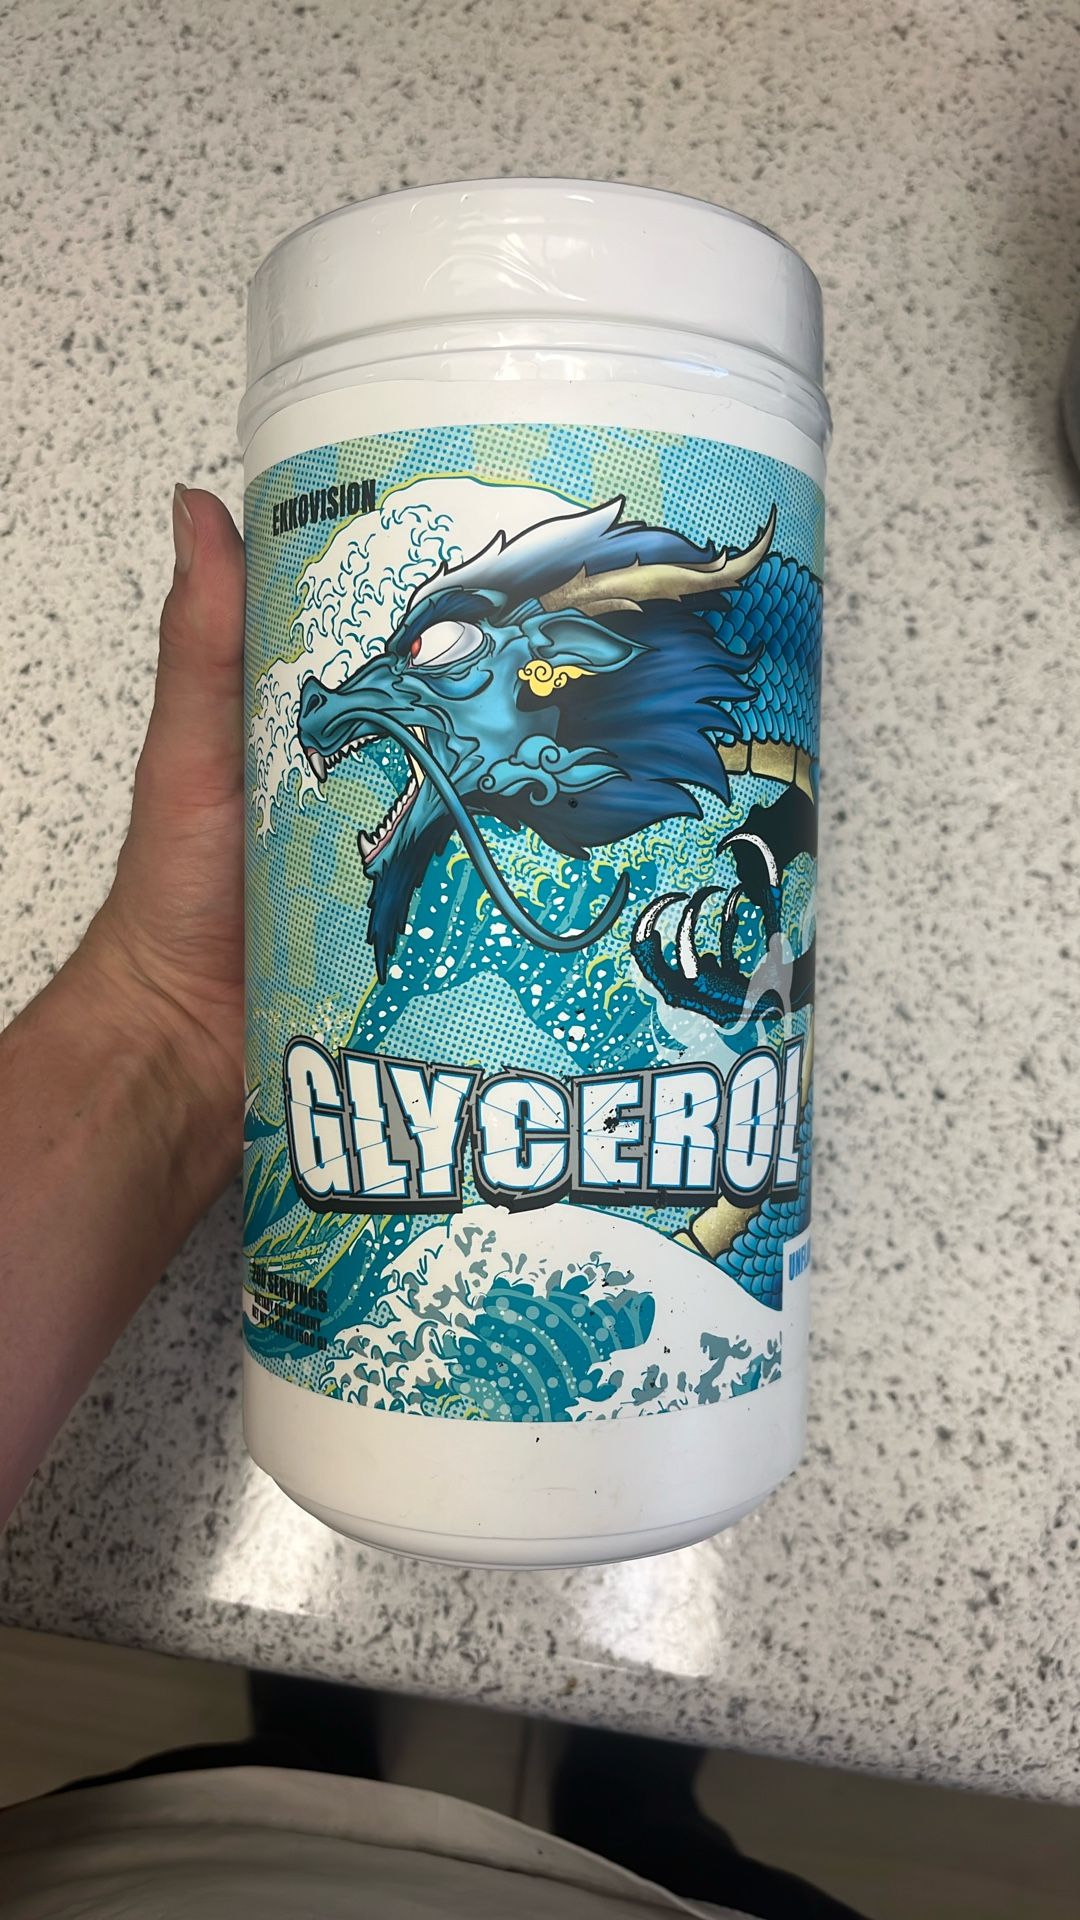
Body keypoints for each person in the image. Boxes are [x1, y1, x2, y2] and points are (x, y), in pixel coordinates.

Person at [0, 489, 863, 1920]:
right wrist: (166, 1012)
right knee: (658, 1840)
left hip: (156, 1867)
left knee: (293, 1761)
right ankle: (619, 1799)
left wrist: (158, 1023)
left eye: (447, 655)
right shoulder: (452, 882)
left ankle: (346, 1742)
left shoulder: (667, 848)